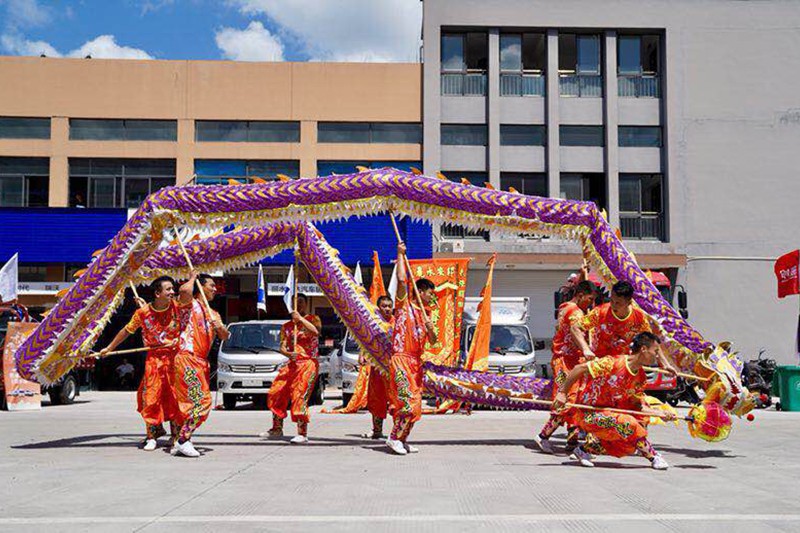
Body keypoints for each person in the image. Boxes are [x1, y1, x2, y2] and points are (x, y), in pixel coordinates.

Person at [551, 331, 676, 470]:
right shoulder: (612, 363)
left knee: (628, 445)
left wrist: (659, 413)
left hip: (610, 414)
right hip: (589, 414)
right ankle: (653, 457)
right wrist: (562, 393)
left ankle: (584, 450)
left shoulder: (640, 378)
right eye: (656, 351)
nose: (657, 356)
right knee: (628, 423)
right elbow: (579, 368)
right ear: (644, 349)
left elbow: (636, 405)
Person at [99, 276, 190, 451]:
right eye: (168, 289)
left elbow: (187, 295)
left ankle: (176, 436)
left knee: (175, 398)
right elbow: (126, 331)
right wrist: (109, 348)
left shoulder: (178, 307)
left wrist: (192, 277)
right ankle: (152, 435)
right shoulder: (143, 313)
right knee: (151, 397)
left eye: (173, 289)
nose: (173, 292)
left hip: (174, 359)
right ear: (157, 293)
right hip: (153, 359)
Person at [386, 243, 437, 456]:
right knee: (406, 401)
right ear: (421, 291)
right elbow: (400, 280)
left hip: (416, 363)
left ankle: (403, 439)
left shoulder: (426, 314)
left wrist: (431, 329)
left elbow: (433, 341)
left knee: (416, 406)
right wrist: (399, 254)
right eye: (430, 293)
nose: (431, 296)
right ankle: (393, 438)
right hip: (401, 360)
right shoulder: (403, 307)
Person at [171, 273, 230, 458]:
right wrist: (191, 278)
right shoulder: (189, 304)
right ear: (200, 287)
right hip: (187, 358)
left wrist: (218, 327)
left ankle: (181, 439)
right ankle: (183, 440)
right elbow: (183, 290)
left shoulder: (213, 313)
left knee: (192, 403)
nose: (215, 289)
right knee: (202, 402)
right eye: (211, 285)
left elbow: (224, 336)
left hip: (201, 362)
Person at [535, 280, 596, 453]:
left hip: (571, 361)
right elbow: (576, 331)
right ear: (581, 295)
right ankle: (543, 436)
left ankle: (572, 440)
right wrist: (586, 348)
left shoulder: (565, 307)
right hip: (564, 362)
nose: (590, 303)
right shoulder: (575, 312)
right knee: (566, 400)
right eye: (589, 299)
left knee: (576, 399)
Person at [262, 293, 322, 444]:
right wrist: (289, 353)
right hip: (292, 363)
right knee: (276, 391)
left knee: (299, 395)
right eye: (295, 303)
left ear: (306, 304)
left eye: (301, 302)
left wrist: (300, 319)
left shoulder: (313, 319)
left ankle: (302, 433)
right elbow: (282, 347)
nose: (299, 305)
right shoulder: (286, 327)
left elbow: (315, 332)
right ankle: (277, 428)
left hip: (308, 363)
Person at [362, 295, 394, 439]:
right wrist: (362, 354)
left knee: (396, 400)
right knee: (377, 399)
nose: (387, 309)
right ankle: (377, 431)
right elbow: (367, 340)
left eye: (389, 306)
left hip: (394, 367)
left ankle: (397, 433)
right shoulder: (373, 323)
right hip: (377, 367)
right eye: (384, 306)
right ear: (378, 307)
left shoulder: (397, 322)